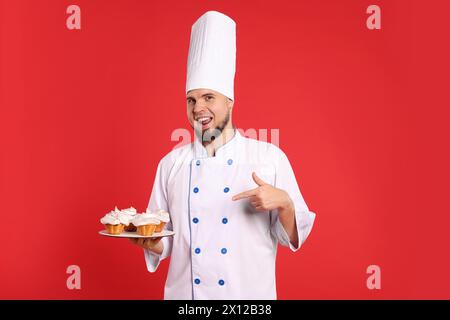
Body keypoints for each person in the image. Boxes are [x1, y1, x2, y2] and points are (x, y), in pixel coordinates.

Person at [129, 10, 316, 300]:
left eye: (208, 98)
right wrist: (150, 241)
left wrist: (286, 204)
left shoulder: (269, 157)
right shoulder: (170, 165)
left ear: (229, 101)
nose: (197, 108)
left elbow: (291, 237)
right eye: (191, 99)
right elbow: (163, 239)